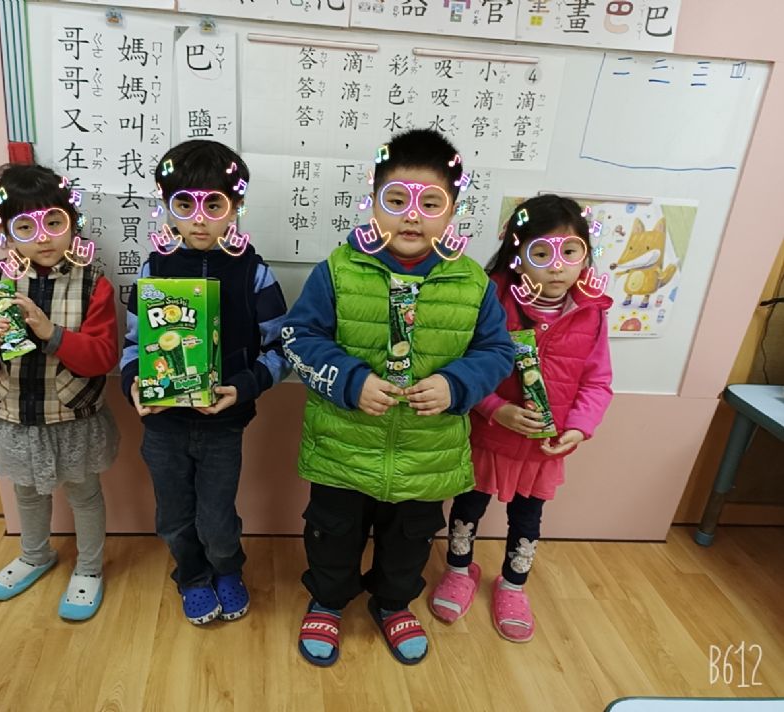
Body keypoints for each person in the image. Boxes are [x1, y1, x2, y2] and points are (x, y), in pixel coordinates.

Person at [283, 128, 515, 666]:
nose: (412, 217)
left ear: (452, 210)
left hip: (426, 455)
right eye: (396, 201)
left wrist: (457, 384)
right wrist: (350, 381)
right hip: (342, 448)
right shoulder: (338, 270)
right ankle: (328, 600)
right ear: (373, 202)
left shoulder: (472, 283)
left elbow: (498, 352)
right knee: (332, 534)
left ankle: (392, 603)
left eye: (429, 203)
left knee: (410, 541)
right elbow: (299, 337)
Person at [429, 194, 613, 643]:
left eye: (570, 252)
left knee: (528, 520)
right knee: (467, 509)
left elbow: (598, 381)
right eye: (541, 253)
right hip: (487, 437)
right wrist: (495, 409)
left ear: (585, 255)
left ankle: (513, 586)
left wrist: (578, 428)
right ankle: (458, 570)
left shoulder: (591, 313)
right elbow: (464, 366)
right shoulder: (491, 298)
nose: (557, 267)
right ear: (516, 253)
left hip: (542, 448)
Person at [120, 140, 290, 625]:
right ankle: (192, 577)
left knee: (217, 517)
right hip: (162, 425)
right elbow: (133, 345)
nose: (199, 220)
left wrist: (245, 386)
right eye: (184, 205)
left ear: (235, 206)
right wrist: (134, 385)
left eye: (213, 205)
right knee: (173, 517)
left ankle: (227, 569)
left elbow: (283, 349)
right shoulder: (154, 268)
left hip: (222, 424)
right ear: (166, 206)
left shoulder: (254, 273)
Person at [0, 163, 119, 621]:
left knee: (84, 494)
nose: (43, 238)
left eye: (54, 222)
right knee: (26, 493)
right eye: (26, 227)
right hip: (14, 415)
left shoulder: (93, 284)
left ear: (73, 223)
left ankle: (89, 567)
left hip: (72, 415)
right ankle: (34, 555)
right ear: (6, 232)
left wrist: (52, 334)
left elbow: (103, 356)